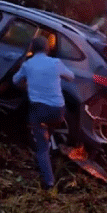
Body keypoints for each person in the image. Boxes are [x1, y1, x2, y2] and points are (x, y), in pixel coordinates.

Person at [13, 36, 75, 190]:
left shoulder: (28, 65)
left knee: (41, 147)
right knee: (50, 130)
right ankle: (50, 149)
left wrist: (27, 86)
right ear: (48, 48)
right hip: (58, 112)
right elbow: (71, 77)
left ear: (32, 49)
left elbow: (15, 80)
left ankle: (49, 183)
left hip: (39, 111)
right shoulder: (55, 63)